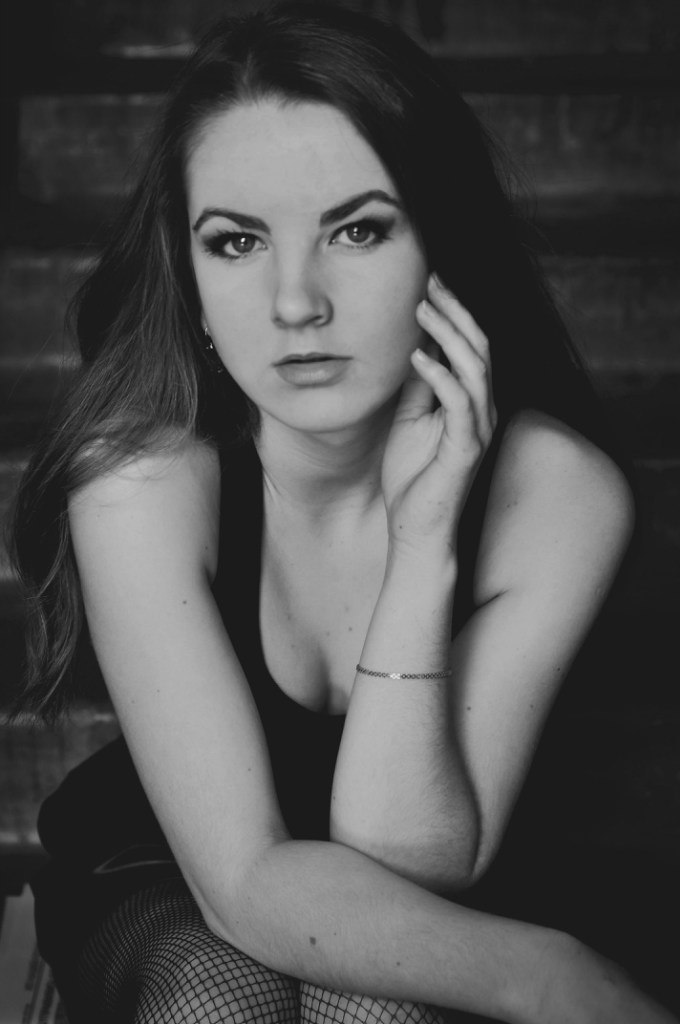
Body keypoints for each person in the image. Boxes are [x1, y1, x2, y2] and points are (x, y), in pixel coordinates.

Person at [10, 3, 677, 1022]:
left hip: (437, 881)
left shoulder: (559, 493)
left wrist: (422, 542)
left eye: (357, 229)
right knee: (211, 997)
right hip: (167, 866)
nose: (295, 303)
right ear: (190, 280)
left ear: (442, 247)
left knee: (374, 1005)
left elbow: (407, 859)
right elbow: (242, 877)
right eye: (236, 241)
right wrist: (554, 977)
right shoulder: (141, 484)